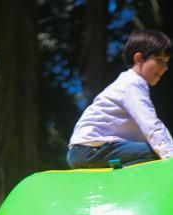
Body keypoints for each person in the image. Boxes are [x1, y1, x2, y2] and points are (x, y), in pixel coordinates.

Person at [67, 29, 173, 169]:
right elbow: (151, 125)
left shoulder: (129, 84)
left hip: (86, 151)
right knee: (156, 153)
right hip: (90, 150)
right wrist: (170, 157)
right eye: (159, 60)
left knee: (153, 150)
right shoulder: (132, 84)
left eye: (167, 62)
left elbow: (143, 134)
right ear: (139, 59)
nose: (165, 67)